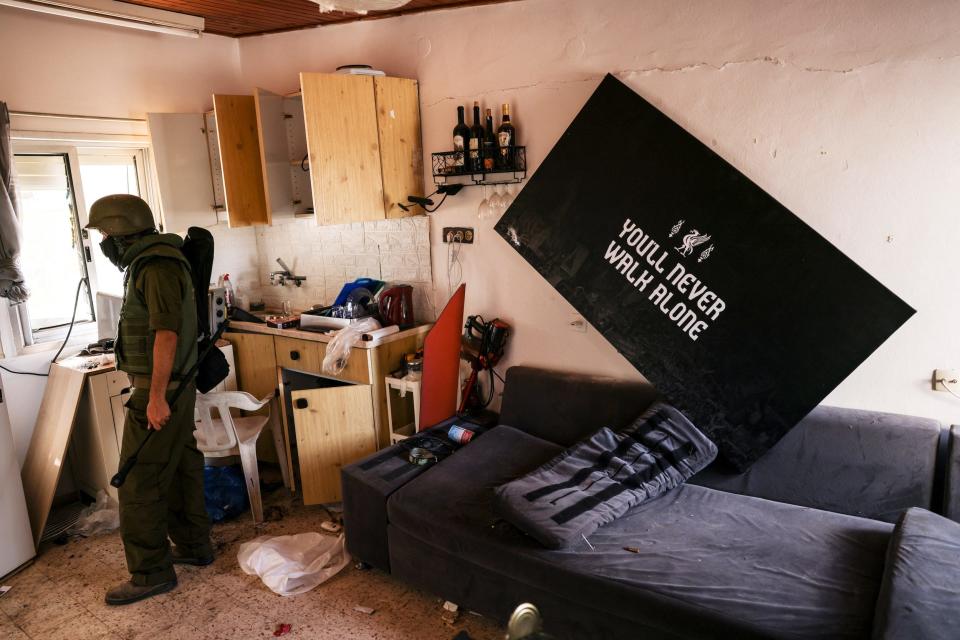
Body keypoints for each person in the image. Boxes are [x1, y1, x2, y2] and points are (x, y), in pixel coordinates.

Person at [86, 194, 213, 606]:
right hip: (175, 386)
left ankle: (150, 573)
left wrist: (155, 397)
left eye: (105, 232)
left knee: (138, 483)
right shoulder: (156, 259)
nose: (103, 240)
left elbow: (166, 334)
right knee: (178, 468)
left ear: (122, 231)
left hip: (160, 391)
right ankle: (194, 545)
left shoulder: (155, 265)